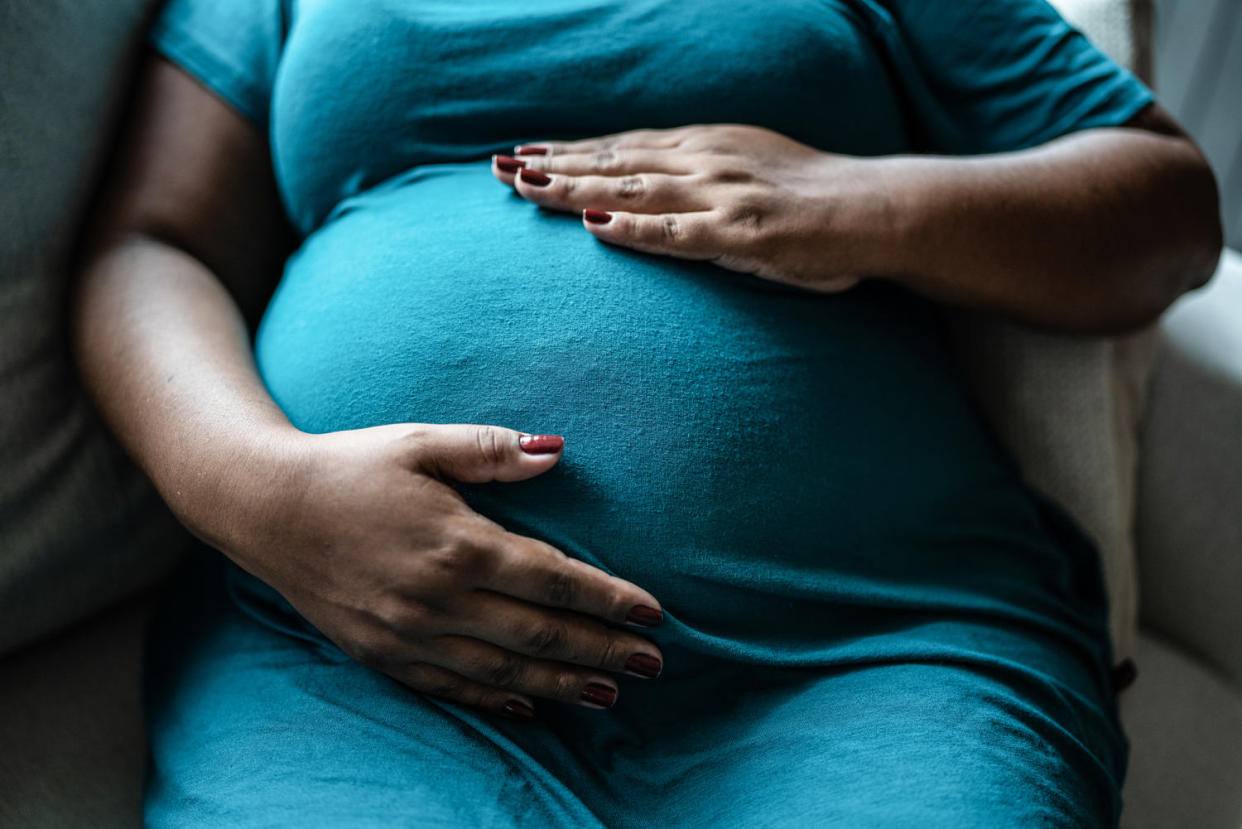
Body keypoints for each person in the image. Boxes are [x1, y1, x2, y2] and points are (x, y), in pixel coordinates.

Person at [70, 0, 1222, 826]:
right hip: (360, 656)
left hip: (859, 645)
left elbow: (1163, 209)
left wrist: (859, 199)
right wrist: (260, 491)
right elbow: (152, 244)